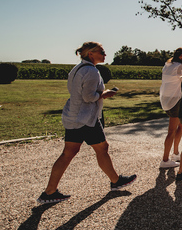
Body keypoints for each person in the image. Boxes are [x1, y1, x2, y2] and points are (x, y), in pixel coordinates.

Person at [37, 42, 136, 204]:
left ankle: (49, 192)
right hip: (86, 118)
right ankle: (116, 181)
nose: (105, 54)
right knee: (102, 148)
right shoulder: (91, 71)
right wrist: (105, 94)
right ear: (91, 54)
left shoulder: (76, 69)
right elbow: (89, 97)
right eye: (101, 52)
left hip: (73, 115)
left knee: (68, 153)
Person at [158, 47, 182, 169]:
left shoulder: (167, 65)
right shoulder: (180, 67)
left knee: (180, 126)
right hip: (175, 99)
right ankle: (165, 160)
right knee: (172, 130)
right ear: (181, 56)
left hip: (166, 98)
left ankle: (176, 153)